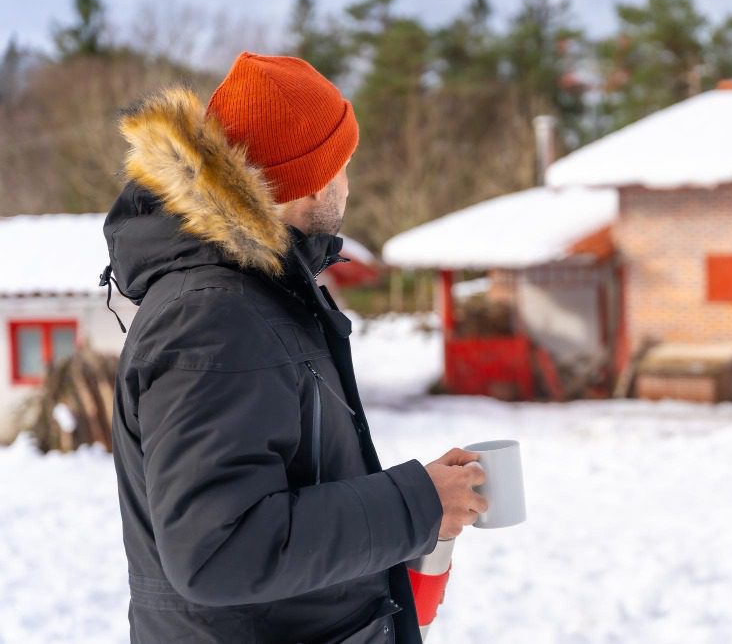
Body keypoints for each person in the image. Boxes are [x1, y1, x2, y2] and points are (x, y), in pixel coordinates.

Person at [100, 51, 487, 643]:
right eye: (344, 164)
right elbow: (218, 551)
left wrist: (413, 514)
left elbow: (289, 491)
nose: (349, 184)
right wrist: (416, 502)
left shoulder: (258, 296)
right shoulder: (212, 315)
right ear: (314, 178)